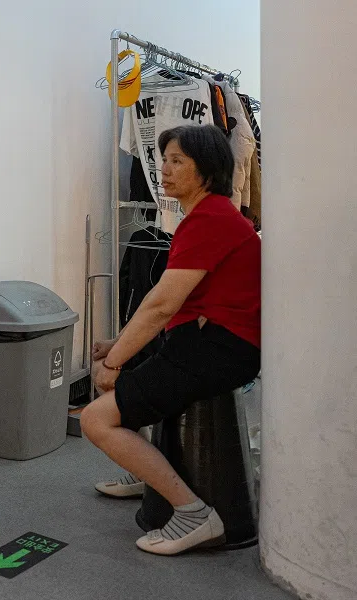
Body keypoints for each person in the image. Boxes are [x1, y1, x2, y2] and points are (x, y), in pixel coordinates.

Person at [81, 125, 260, 556]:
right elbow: (171, 309)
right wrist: (119, 342)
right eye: (165, 159)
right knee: (140, 370)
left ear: (208, 170)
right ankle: (147, 472)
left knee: (94, 419)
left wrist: (115, 362)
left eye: (178, 160)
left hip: (219, 349)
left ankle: (195, 513)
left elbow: (161, 305)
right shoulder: (207, 216)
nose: (164, 169)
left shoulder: (210, 219)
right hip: (206, 342)